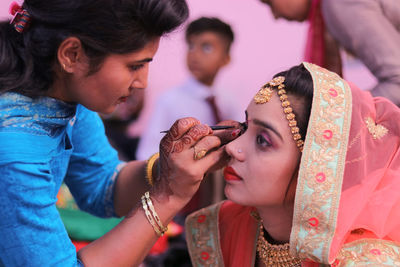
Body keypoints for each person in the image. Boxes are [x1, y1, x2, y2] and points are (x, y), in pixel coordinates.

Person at [0, 1, 239, 266]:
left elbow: (103, 185)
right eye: (135, 66)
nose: (143, 83)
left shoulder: (65, 96)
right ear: (72, 55)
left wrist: (168, 168)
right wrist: (169, 196)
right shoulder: (14, 150)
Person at [185, 62, 400, 266]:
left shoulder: (361, 261)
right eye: (244, 127)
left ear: (315, 166)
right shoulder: (225, 228)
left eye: (263, 140)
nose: (233, 147)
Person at [136, 16, 241, 161]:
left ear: (226, 58)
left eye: (207, 47)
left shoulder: (228, 101)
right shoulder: (169, 101)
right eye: (191, 45)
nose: (195, 54)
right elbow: (146, 153)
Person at [259, 0, 400, 106]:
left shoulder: (339, 4)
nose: (275, 16)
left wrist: (338, 116)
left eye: (269, 3)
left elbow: (397, 80)